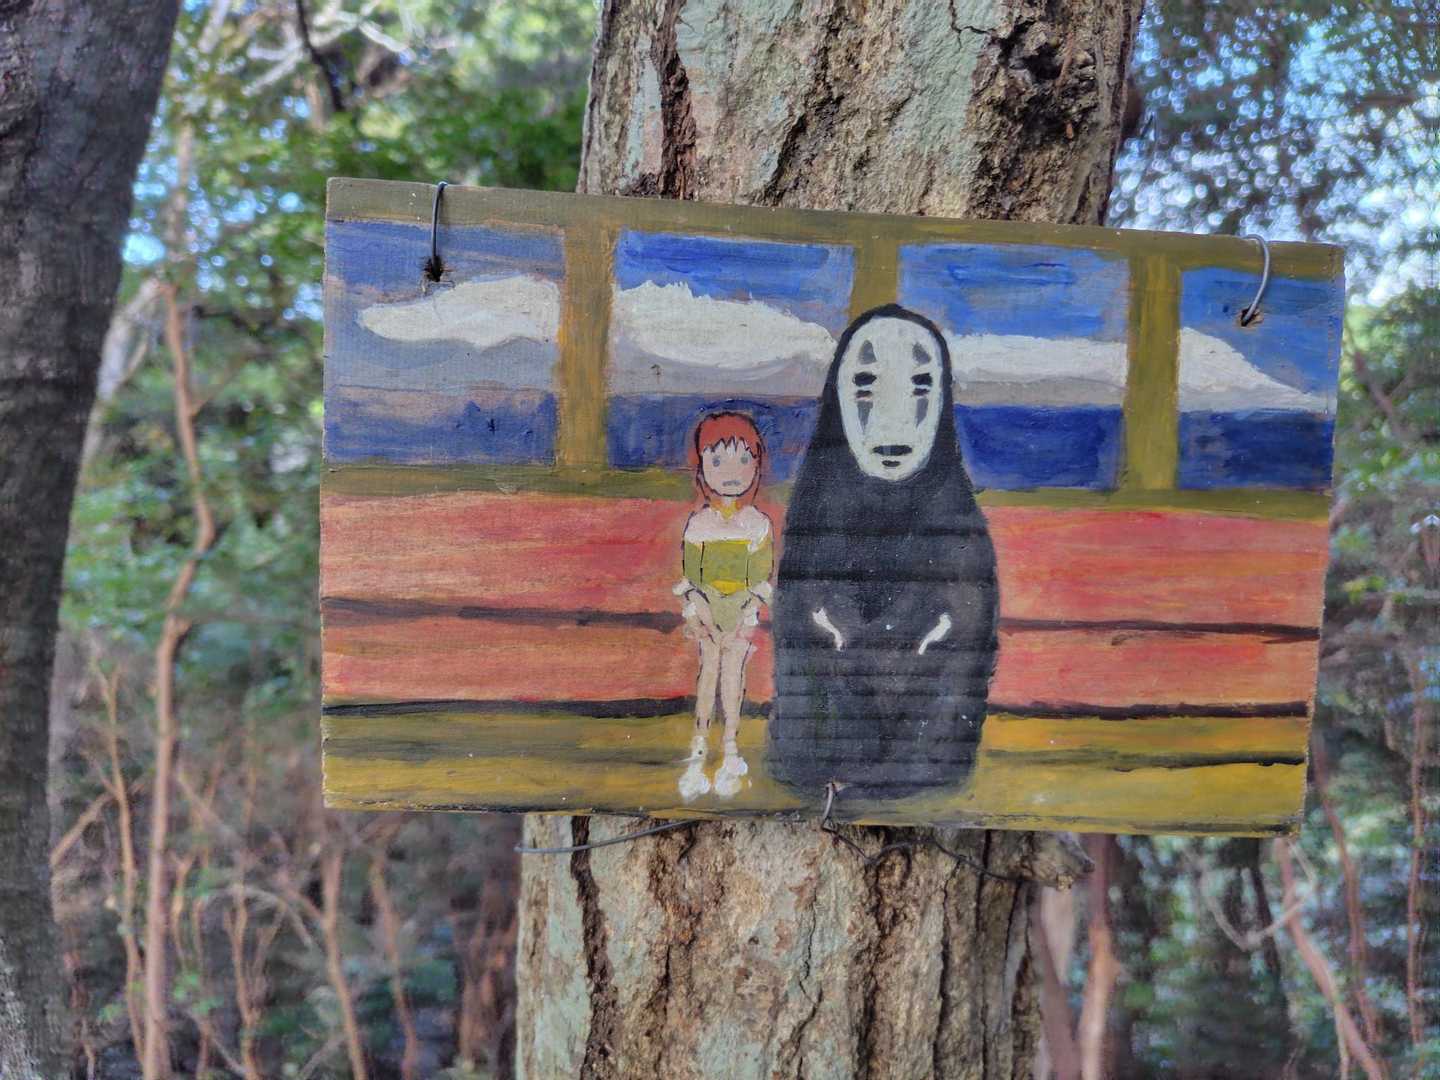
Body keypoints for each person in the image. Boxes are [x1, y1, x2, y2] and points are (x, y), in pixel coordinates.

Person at [673, 412, 774, 800]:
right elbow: (691, 576)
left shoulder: (757, 524)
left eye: (742, 459)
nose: (731, 472)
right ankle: (699, 749)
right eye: (717, 461)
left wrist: (746, 617)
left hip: (740, 609)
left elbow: (759, 577)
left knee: (733, 677)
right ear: (701, 468)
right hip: (706, 608)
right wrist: (699, 614)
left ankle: (731, 747)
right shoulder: (699, 524)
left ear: (756, 466)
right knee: (708, 674)